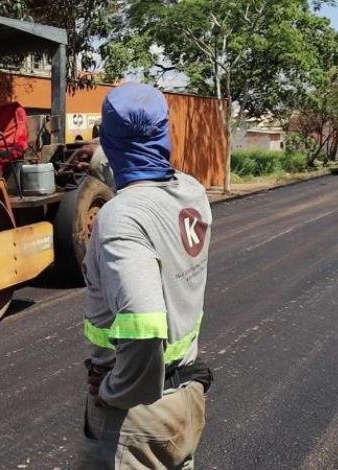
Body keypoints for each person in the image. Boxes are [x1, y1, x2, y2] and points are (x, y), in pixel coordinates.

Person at [81, 83, 213, 469]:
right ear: (165, 132)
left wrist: (112, 391)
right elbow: (138, 168)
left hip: (138, 414)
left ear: (107, 137)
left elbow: (144, 327)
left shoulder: (121, 217)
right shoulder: (192, 192)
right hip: (186, 398)